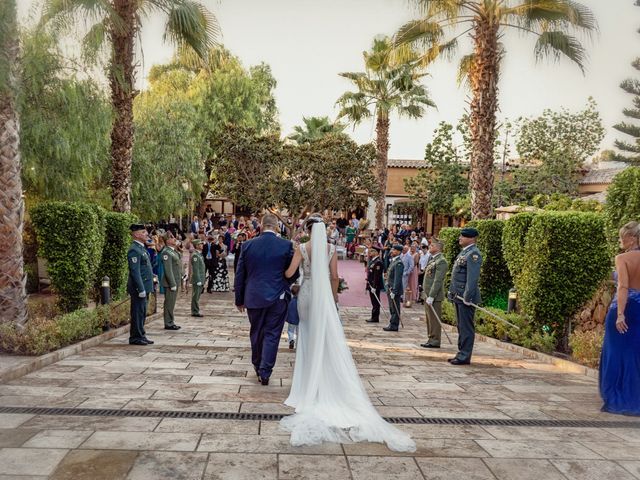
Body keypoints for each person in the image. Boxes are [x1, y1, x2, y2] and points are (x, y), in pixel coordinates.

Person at [280, 215, 415, 452]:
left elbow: (290, 272)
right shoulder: (331, 248)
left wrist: (290, 270)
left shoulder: (302, 247)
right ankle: (323, 380)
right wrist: (332, 298)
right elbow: (334, 277)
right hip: (323, 296)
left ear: (309, 231)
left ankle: (305, 386)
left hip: (307, 294)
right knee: (325, 337)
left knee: (307, 337)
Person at [234, 213, 297, 385]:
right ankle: (265, 370)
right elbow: (293, 273)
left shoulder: (247, 245)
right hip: (277, 296)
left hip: (253, 296)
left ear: (261, 226)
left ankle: (257, 364)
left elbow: (240, 274)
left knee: (256, 332)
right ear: (277, 227)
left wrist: (239, 299)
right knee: (272, 334)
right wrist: (283, 284)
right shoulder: (286, 246)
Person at [599, 221, 640, 416]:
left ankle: (618, 396)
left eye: (622, 237)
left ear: (632, 239)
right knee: (635, 354)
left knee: (615, 354)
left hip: (624, 308)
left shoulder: (622, 258)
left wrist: (620, 314)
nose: (620, 241)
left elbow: (623, 286)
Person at [447, 228, 482, 365]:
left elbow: (472, 279)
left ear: (471, 238)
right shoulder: (465, 252)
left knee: (466, 327)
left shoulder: (474, 254)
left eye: (463, 236)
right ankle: (461, 353)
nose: (460, 238)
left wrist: (467, 296)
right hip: (458, 296)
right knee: (461, 326)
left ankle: (465, 355)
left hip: (465, 298)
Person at [127, 224, 155, 346]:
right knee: (138, 312)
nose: (146, 234)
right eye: (143, 232)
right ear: (137, 234)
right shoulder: (134, 249)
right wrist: (140, 288)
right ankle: (135, 337)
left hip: (145, 285)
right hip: (139, 287)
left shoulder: (142, 248)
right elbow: (135, 271)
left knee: (142, 312)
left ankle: (141, 334)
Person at [421, 239, 448, 349]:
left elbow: (438, 280)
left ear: (438, 248)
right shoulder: (433, 259)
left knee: (434, 319)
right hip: (428, 295)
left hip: (434, 296)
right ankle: (431, 338)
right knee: (429, 318)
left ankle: (435, 340)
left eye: (432, 245)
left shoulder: (441, 261)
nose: (430, 247)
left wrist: (432, 295)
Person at [160, 232, 182, 331]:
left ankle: (171, 321)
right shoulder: (166, 252)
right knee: (169, 303)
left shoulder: (173, 251)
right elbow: (168, 270)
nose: (174, 239)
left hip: (176, 281)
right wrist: (172, 283)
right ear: (167, 240)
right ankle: (168, 323)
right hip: (170, 283)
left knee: (172, 303)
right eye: (172, 238)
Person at [384, 245, 404, 332]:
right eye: (392, 249)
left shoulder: (399, 263)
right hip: (390, 288)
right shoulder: (393, 261)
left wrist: (394, 291)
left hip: (394, 289)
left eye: (394, 250)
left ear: (399, 252)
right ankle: (392, 323)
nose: (392, 251)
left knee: (395, 307)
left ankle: (394, 325)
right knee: (392, 307)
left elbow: (397, 279)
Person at [365, 243, 384, 323]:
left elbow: (377, 276)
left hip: (374, 285)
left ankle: (375, 317)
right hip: (371, 284)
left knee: (375, 302)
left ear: (376, 252)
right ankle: (373, 316)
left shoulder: (378, 262)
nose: (370, 252)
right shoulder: (373, 261)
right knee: (373, 301)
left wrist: (374, 286)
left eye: (372, 251)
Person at [190, 239, 206, 318]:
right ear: (196, 246)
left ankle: (195, 310)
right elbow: (196, 269)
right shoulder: (195, 255)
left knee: (197, 296)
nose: (202, 245)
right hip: (197, 279)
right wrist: (198, 280)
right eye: (200, 244)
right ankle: (195, 311)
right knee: (195, 296)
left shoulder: (199, 254)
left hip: (201, 277)